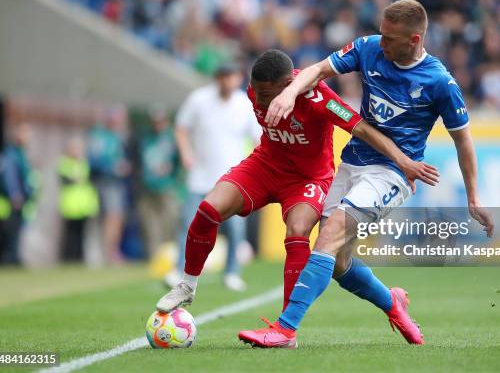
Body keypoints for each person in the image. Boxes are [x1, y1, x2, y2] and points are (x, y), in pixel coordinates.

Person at [238, 0, 494, 348]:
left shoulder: (439, 83)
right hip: (353, 162)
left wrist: (473, 198)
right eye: (380, 33)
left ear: (414, 40)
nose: (380, 42)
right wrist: (291, 92)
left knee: (328, 238)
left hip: (391, 174)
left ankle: (285, 329)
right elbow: (318, 70)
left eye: (389, 38)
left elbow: (463, 141)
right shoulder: (368, 48)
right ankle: (393, 303)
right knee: (340, 262)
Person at [156, 49, 439, 314]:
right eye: (258, 93)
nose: (261, 101)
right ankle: (187, 285)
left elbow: (361, 128)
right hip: (266, 165)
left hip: (309, 178)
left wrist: (403, 161)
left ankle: (284, 324)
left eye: (268, 94)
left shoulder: (321, 100)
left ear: (288, 84)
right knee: (208, 208)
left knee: (297, 230)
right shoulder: (255, 91)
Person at [169, 63, 262, 291]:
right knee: (189, 224)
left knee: (235, 230)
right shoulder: (199, 100)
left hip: (233, 180)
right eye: (224, 77)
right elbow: (181, 128)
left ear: (239, 78)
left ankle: (231, 272)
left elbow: (258, 138)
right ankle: (179, 270)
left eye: (232, 76)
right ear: (217, 78)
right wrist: (186, 153)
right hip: (200, 176)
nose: (227, 81)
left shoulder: (244, 104)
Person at [87, 107, 131, 264]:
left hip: (116, 183)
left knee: (116, 217)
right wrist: (114, 168)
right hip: (105, 182)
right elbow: (94, 159)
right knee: (111, 216)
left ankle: (111, 251)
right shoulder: (99, 135)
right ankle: (107, 253)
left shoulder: (116, 136)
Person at [137, 106, 180, 260]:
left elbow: (179, 162)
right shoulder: (144, 138)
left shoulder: (172, 138)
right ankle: (154, 258)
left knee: (169, 223)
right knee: (150, 225)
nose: (157, 124)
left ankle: (168, 258)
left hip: (167, 186)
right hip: (147, 187)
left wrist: (173, 176)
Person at [0, 123, 35, 265]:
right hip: (10, 201)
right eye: (26, 134)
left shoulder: (20, 153)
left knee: (15, 230)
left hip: (19, 199)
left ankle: (13, 257)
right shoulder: (11, 154)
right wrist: (15, 194)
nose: (29, 137)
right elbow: (10, 176)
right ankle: (9, 258)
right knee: (8, 231)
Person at [57, 137, 99, 262]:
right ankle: (68, 258)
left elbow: (89, 184)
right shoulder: (64, 163)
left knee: (82, 235)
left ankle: (79, 258)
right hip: (70, 207)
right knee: (70, 235)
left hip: (84, 207)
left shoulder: (84, 163)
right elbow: (64, 180)